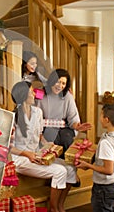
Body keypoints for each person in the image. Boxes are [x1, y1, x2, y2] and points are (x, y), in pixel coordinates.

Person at [10, 81, 77, 212]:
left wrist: (47, 144)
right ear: (23, 95)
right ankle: (53, 208)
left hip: (37, 153)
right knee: (60, 171)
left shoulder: (38, 112)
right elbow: (9, 148)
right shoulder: (13, 117)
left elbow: (39, 135)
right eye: (31, 91)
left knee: (70, 167)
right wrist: (27, 154)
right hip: (20, 159)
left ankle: (60, 206)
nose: (34, 93)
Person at [76, 104, 114, 212]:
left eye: (101, 115)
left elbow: (109, 170)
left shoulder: (106, 142)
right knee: (109, 208)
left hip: (103, 188)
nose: (100, 118)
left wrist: (88, 165)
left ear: (106, 120)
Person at [37, 68, 92, 154]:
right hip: (45, 127)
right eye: (58, 82)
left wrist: (77, 126)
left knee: (66, 138)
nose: (60, 86)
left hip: (64, 128)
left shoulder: (67, 97)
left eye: (63, 83)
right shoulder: (41, 94)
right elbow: (35, 114)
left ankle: (66, 164)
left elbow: (73, 118)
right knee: (51, 137)